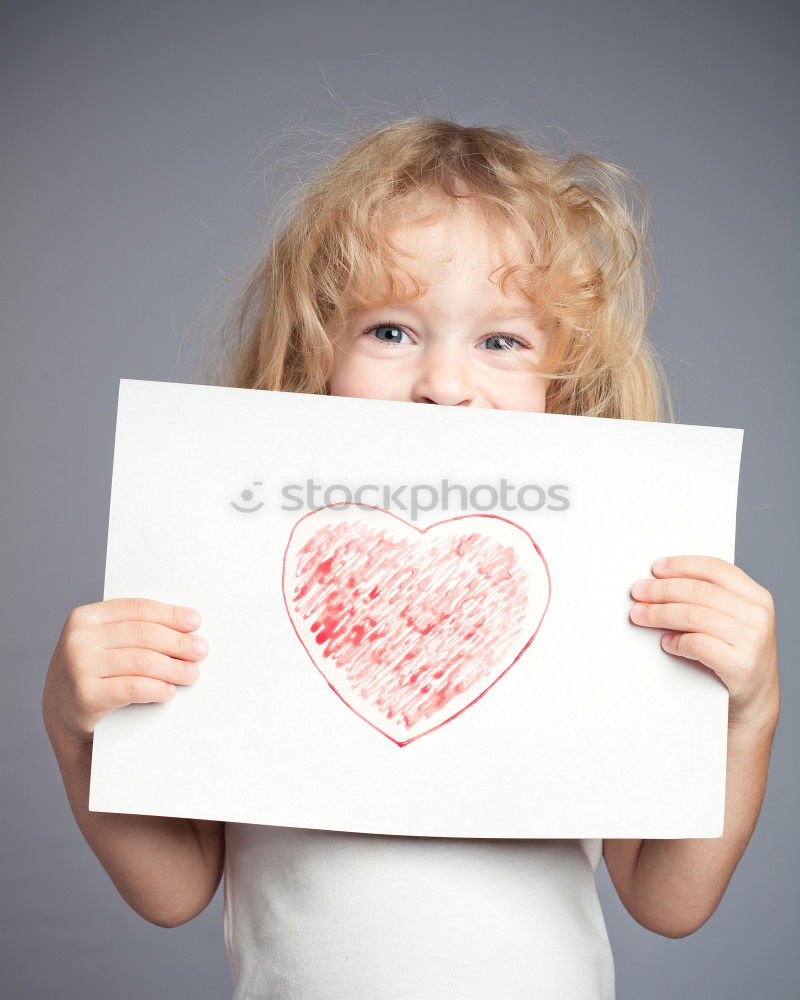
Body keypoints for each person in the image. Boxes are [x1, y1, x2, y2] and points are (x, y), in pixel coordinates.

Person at [42, 117, 780, 999]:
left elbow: (667, 901)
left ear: (565, 382)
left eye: (501, 340)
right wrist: (73, 728)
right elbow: (174, 892)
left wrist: (747, 716)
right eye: (391, 330)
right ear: (314, 351)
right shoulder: (241, 574)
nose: (444, 384)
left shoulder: (593, 586)